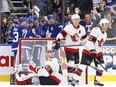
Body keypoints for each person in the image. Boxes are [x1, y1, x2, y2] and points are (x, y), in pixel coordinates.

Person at [72, 18, 110, 86]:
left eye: (108, 24)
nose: (107, 26)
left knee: (101, 66)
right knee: (83, 66)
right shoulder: (96, 30)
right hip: (88, 51)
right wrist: (92, 51)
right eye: (106, 24)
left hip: (97, 52)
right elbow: (90, 42)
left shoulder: (105, 34)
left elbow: (99, 45)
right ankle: (75, 79)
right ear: (102, 24)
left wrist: (98, 52)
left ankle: (97, 81)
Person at [54, 14, 87, 85]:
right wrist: (58, 41)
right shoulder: (68, 27)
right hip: (69, 48)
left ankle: (73, 78)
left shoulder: (82, 28)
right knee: (71, 62)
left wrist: (83, 42)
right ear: (72, 20)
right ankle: (70, 77)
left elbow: (84, 38)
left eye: (78, 19)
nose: (77, 21)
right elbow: (61, 34)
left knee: (76, 64)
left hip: (77, 48)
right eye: (75, 19)